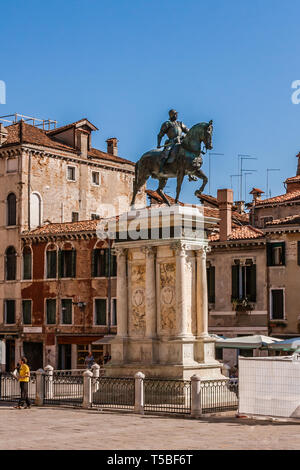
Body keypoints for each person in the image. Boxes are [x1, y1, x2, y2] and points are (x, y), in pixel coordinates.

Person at [157, 109, 196, 180]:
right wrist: (158, 144)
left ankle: (190, 173)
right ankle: (161, 169)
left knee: (188, 152)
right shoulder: (167, 124)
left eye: (176, 114)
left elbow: (188, 131)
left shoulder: (180, 123)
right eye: (175, 114)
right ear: (171, 115)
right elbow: (160, 134)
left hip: (181, 141)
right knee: (166, 152)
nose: (176, 115)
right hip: (172, 142)